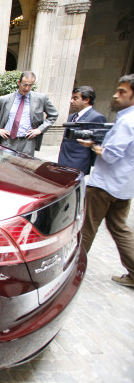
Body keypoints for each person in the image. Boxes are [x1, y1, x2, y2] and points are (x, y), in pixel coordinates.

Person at [77, 74, 134, 287]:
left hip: (105, 185)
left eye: (122, 92)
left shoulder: (127, 121)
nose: (116, 95)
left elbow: (111, 155)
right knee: (120, 229)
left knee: (87, 228)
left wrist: (93, 147)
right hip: (124, 185)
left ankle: (73, 270)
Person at [0, 71, 58, 156]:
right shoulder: (5, 99)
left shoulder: (41, 99)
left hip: (28, 142)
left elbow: (53, 115)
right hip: (7, 141)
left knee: (24, 168)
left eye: (30, 85)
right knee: (5, 167)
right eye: (24, 84)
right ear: (19, 82)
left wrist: (40, 129)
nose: (27, 88)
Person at [57, 86, 107, 175]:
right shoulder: (72, 116)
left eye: (75, 98)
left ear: (86, 100)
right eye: (72, 98)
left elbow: (98, 142)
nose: (71, 101)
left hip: (78, 162)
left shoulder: (96, 117)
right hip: (63, 159)